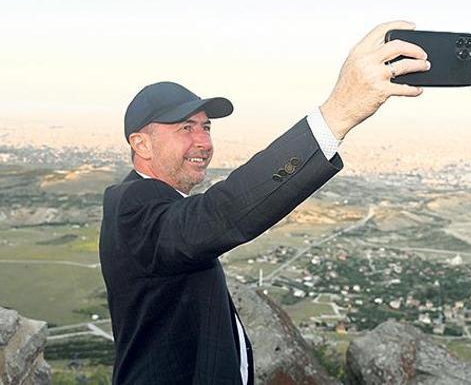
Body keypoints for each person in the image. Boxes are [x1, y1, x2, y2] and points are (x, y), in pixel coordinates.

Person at [99, 21, 430, 384]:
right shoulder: (133, 206)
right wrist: (338, 113)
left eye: (206, 127)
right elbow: (222, 213)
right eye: (185, 128)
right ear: (141, 144)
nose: (203, 142)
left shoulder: (157, 208)